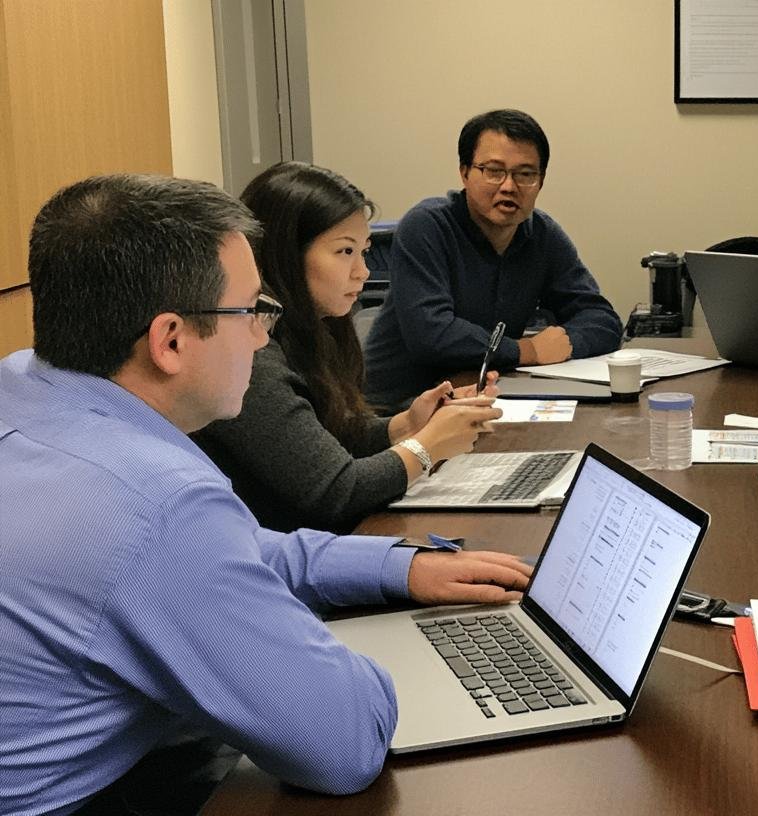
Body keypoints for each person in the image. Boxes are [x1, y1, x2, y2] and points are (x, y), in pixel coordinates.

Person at [0, 174, 534, 816]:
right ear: (170, 340)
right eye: (252, 311)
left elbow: (229, 552)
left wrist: (399, 566)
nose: (262, 335)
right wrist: (346, 658)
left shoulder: (23, 383)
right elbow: (343, 747)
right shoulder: (157, 501)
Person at [193, 161, 502, 533]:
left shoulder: (313, 330)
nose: (363, 271)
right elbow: (335, 490)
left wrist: (408, 424)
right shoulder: (250, 356)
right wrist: (429, 445)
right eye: (345, 252)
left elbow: (332, 439)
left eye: (364, 252)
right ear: (285, 254)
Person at [363, 108, 623, 406]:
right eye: (494, 171)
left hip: (483, 400)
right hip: (398, 409)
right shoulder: (427, 226)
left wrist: (563, 344)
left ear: (541, 181)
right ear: (464, 172)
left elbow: (602, 320)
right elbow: (431, 334)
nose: (509, 186)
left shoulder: (542, 234)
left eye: (525, 174)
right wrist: (528, 351)